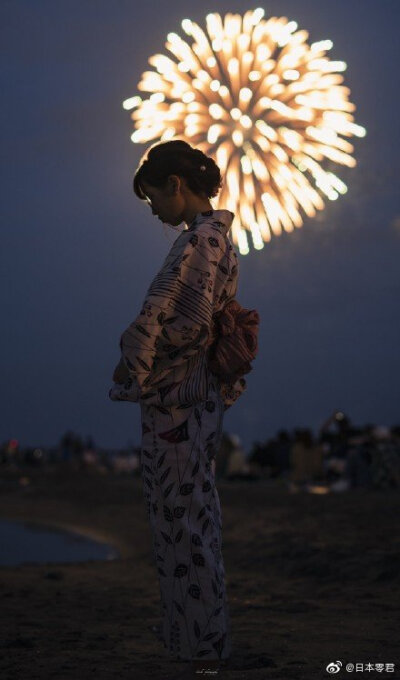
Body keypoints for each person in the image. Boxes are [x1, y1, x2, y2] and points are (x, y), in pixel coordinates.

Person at [108, 140, 251, 675]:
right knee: (193, 519)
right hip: (197, 396)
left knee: (182, 522)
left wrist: (136, 358)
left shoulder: (201, 241)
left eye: (153, 201)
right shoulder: (220, 239)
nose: (154, 213)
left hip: (180, 399)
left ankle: (200, 646)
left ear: (176, 186)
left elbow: (181, 320)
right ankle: (199, 638)